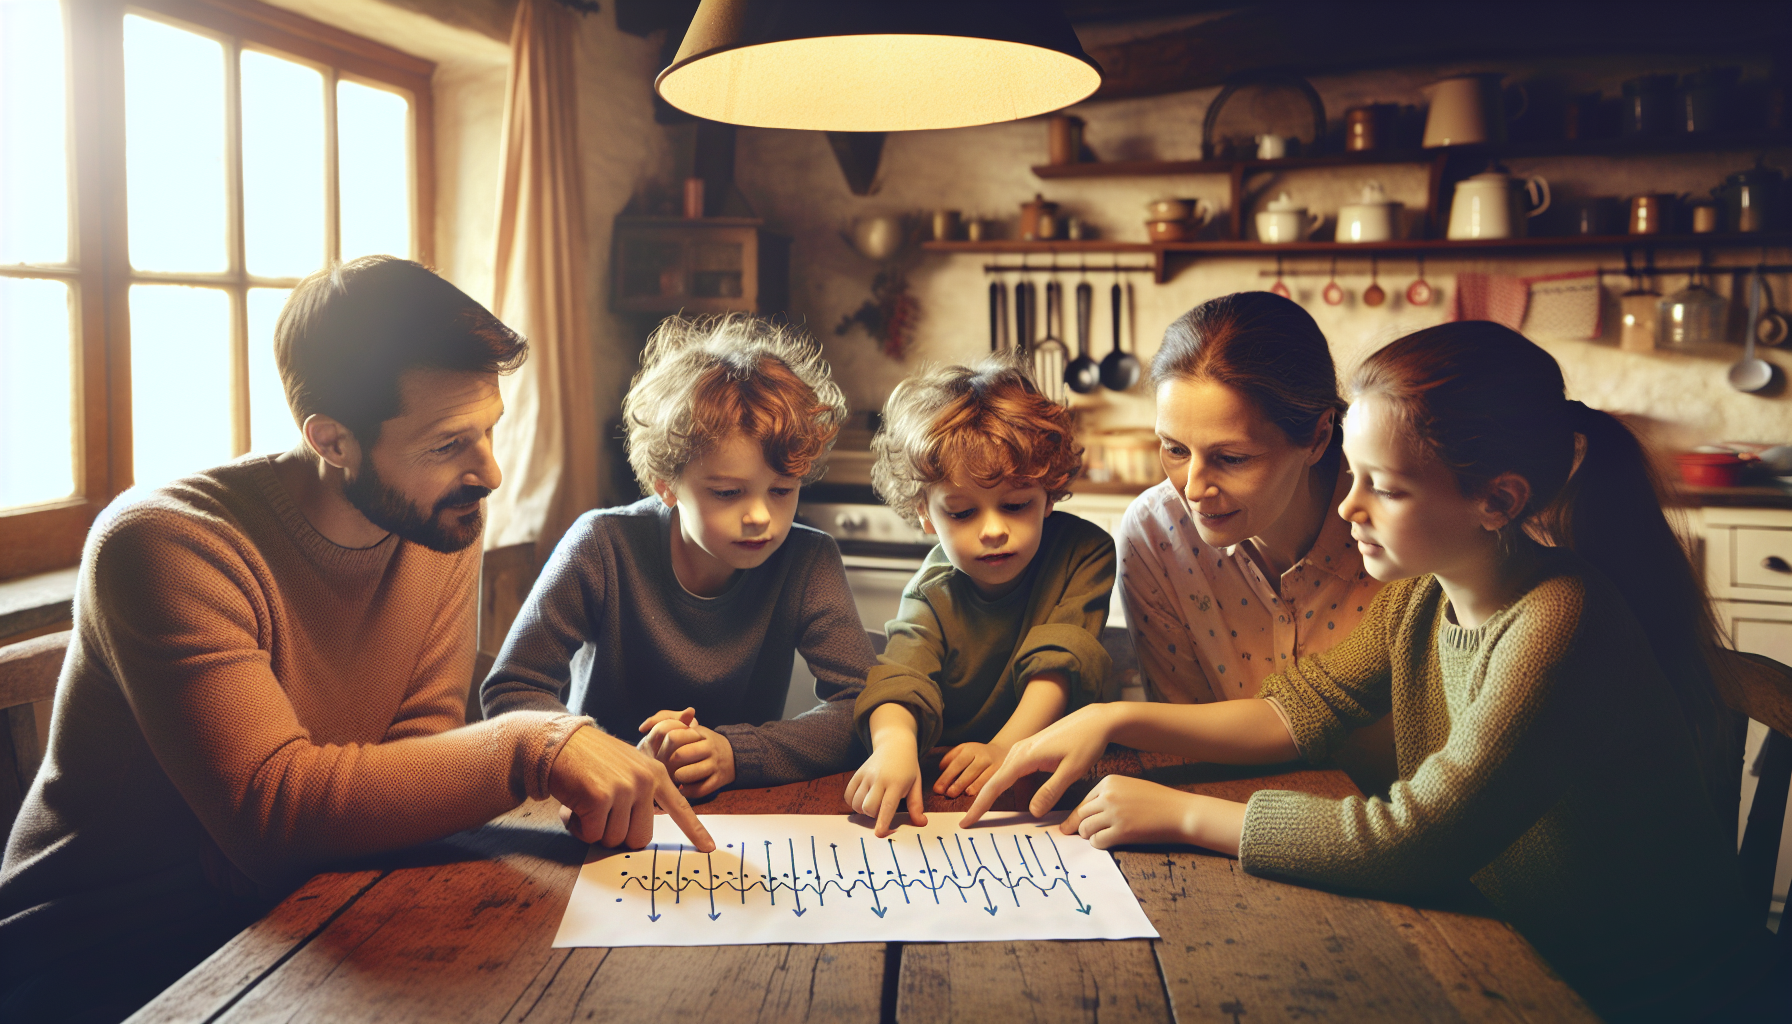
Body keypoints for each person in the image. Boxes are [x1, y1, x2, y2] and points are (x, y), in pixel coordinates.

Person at [965, 321, 1783, 1022]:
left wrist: (1182, 816)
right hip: (1518, 947)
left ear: (1496, 502)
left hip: (1643, 997)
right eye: (1352, 476)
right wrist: (1108, 719)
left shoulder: (1560, 620)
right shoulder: (1427, 596)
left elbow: (1415, 839)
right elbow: (1300, 708)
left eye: (1383, 488)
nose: (1349, 506)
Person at [0, 257, 711, 1024]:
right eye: (447, 444)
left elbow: (414, 755)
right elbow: (277, 814)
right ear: (332, 440)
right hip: (104, 966)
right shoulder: (166, 545)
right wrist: (524, 746)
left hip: (302, 913)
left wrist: (326, 819)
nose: (491, 472)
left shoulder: (436, 517)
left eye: (489, 430)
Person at [481, 315, 877, 798]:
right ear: (666, 485)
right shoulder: (601, 546)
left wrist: (735, 753)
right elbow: (512, 688)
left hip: (744, 812)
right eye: (729, 492)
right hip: (600, 801)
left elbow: (861, 705)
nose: (760, 517)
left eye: (782, 490)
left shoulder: (809, 559)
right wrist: (603, 757)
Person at [1115, 291, 1392, 789]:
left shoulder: (1396, 530)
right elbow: (1191, 746)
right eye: (1175, 449)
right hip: (1228, 820)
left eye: (1232, 458)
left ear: (1318, 438)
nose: (1193, 488)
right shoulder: (1155, 536)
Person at [846, 360, 1115, 836]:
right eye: (963, 512)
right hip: (955, 784)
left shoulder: (1085, 552)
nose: (993, 530)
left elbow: (1061, 660)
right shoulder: (932, 593)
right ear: (924, 513)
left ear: (1049, 496)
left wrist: (1007, 747)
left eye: (1015, 505)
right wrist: (893, 745)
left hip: (1054, 776)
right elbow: (899, 679)